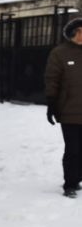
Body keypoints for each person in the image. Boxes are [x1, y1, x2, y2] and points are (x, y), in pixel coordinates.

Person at [44, 17, 82, 198]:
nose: (81, 35)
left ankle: (78, 177)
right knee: (73, 149)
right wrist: (51, 103)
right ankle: (70, 184)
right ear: (72, 34)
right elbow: (52, 79)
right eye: (79, 31)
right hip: (69, 111)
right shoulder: (59, 53)